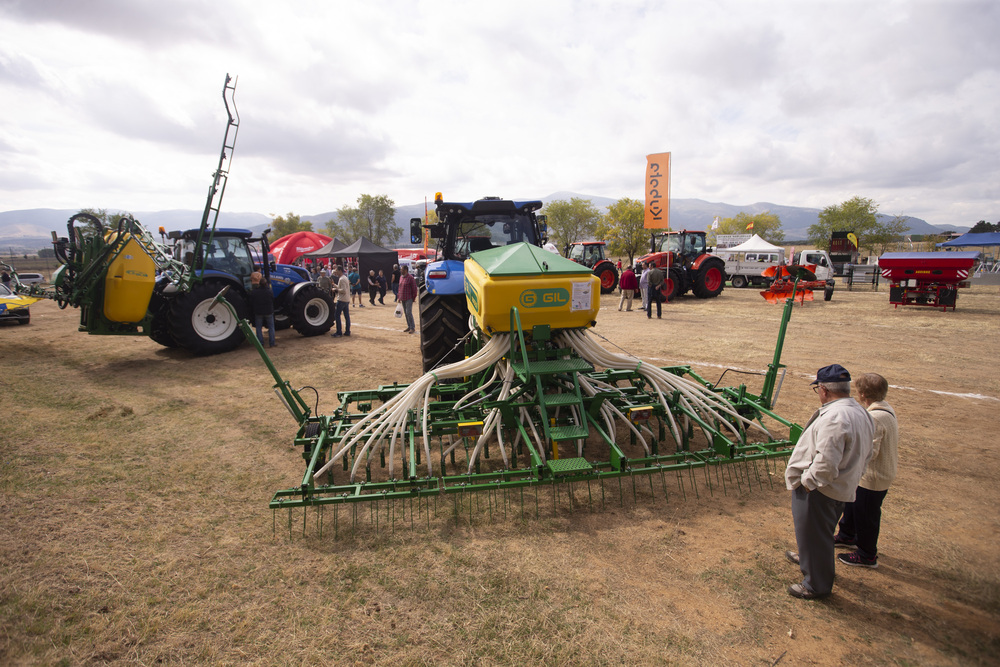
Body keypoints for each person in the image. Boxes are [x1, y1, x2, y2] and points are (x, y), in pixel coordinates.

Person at [784, 364, 874, 599]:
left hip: (821, 491)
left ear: (823, 389)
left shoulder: (835, 417)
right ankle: (808, 559)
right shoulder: (861, 412)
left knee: (815, 533)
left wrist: (807, 483)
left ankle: (816, 585)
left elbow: (825, 462)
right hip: (843, 485)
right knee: (819, 532)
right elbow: (868, 453)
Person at [835, 373, 898, 569]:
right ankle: (847, 535)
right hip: (867, 476)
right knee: (853, 506)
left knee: (866, 514)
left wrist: (847, 461)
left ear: (862, 394)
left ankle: (867, 554)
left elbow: (870, 450)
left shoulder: (875, 417)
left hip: (873, 477)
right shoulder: (885, 409)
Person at [249, 271, 276, 348]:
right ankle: (272, 343)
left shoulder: (254, 292)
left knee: (258, 328)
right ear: (266, 284)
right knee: (271, 327)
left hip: (258, 312)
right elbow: (272, 300)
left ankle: (260, 343)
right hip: (268, 311)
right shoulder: (269, 291)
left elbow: (251, 301)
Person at [330, 266, 351, 337]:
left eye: (337, 271)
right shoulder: (344, 278)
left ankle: (339, 332)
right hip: (346, 299)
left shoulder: (341, 279)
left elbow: (343, 290)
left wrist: (335, 290)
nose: (336, 272)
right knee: (346, 316)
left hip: (342, 299)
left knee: (337, 315)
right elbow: (342, 288)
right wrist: (334, 285)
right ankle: (347, 331)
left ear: (340, 270)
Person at [397, 265, 418, 333]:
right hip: (402, 298)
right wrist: (399, 297)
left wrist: (413, 297)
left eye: (402, 269)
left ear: (405, 270)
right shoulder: (401, 277)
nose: (401, 270)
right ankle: (409, 326)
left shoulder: (410, 278)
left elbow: (414, 289)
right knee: (406, 313)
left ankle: (412, 327)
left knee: (409, 312)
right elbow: (399, 288)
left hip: (409, 298)